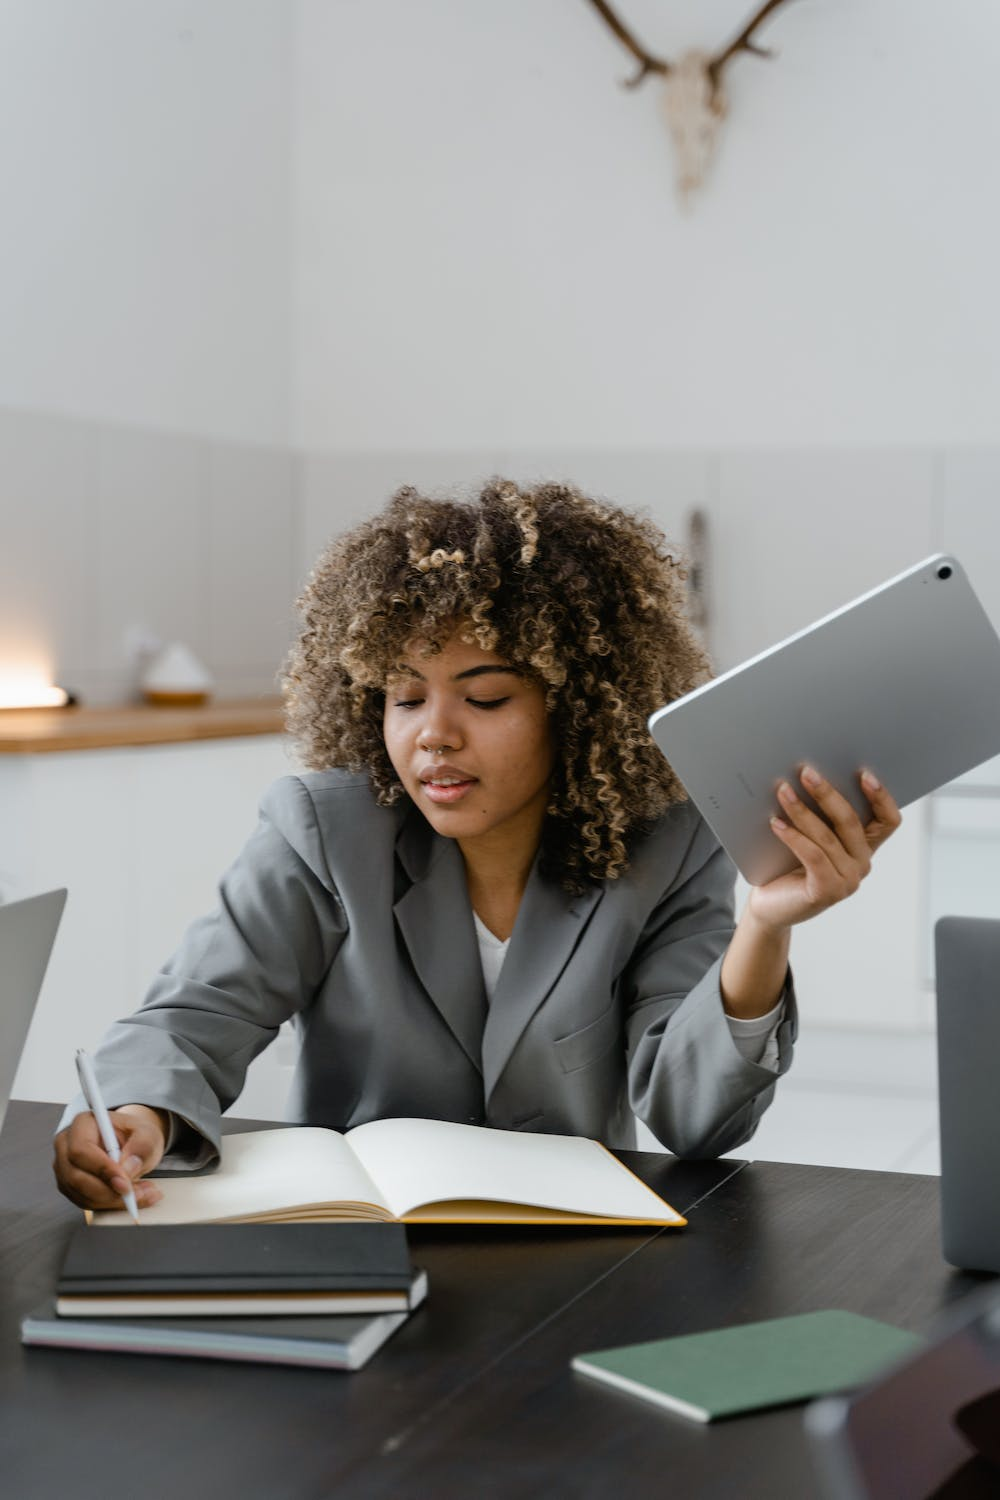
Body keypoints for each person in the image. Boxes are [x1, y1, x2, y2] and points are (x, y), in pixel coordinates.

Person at [53, 479, 901, 1212]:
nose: (434, 736)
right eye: (404, 698)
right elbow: (194, 1018)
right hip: (365, 1241)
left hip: (574, 1261)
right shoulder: (324, 831)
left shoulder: (669, 845)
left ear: (576, 708)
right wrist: (132, 1113)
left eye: (486, 698)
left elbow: (696, 1122)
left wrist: (764, 926)